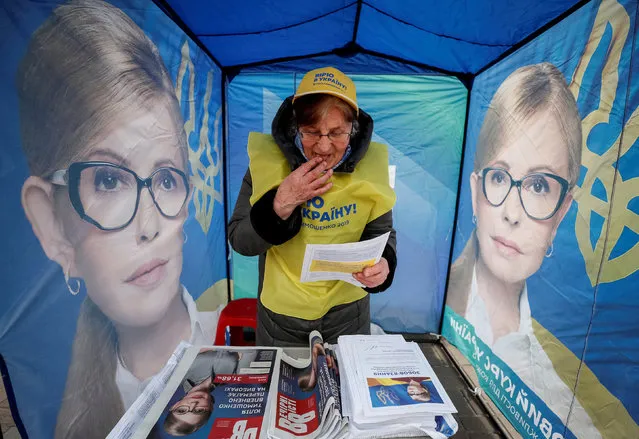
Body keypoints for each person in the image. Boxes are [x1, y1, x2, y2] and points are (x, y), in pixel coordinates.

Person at [17, 1, 220, 438]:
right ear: (52, 224)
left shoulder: (227, 338)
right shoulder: (74, 412)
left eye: (167, 179)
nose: (149, 226)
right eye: (108, 180)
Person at [446, 63, 600, 437]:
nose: (512, 213)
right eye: (499, 177)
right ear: (475, 191)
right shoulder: (434, 302)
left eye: (538, 186)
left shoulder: (562, 403)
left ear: (562, 211)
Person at [228, 66, 397, 347]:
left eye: (336, 133)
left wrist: (384, 265)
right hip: (282, 318)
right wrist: (281, 202)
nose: (323, 147)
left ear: (353, 130)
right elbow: (240, 240)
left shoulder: (370, 167)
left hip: (348, 314)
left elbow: (383, 234)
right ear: (295, 127)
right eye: (311, 132)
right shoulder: (267, 164)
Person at [163, 350, 241, 436]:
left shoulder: (177, 374)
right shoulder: (233, 378)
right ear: (210, 408)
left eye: (181, 410)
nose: (193, 404)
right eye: (199, 410)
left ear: (175, 405)